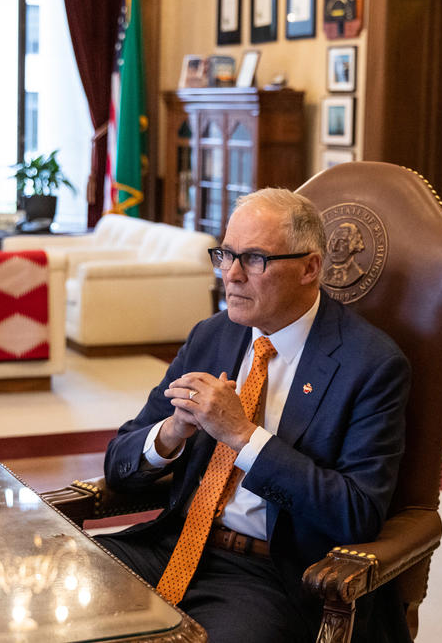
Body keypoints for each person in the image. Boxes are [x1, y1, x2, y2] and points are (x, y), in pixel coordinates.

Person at [96, 188, 412, 642]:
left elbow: (356, 513)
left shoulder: (371, 364)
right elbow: (118, 464)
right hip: (172, 542)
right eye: (225, 255)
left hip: (273, 574)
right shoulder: (211, 336)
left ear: (310, 268)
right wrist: (170, 433)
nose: (232, 274)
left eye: (256, 259)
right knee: (59, 591)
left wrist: (243, 436)